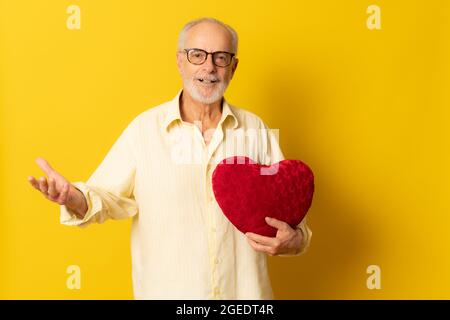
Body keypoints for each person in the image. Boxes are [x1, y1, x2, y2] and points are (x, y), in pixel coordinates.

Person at [27, 17, 312, 299]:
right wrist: (72, 198)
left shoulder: (255, 129)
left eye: (220, 57)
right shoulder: (144, 130)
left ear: (233, 67)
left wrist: (295, 239)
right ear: (180, 62)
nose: (208, 67)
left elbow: (291, 221)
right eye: (197, 55)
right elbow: (104, 198)